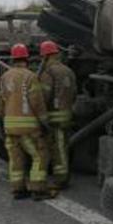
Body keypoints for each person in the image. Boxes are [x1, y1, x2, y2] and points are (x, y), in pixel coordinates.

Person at [0, 43, 53, 201]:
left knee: (16, 159)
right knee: (40, 155)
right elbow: (37, 102)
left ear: (13, 58)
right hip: (28, 127)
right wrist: (45, 122)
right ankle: (38, 189)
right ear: (26, 58)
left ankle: (18, 189)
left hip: (10, 126)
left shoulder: (4, 77)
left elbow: (0, 103)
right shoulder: (30, 76)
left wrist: (3, 120)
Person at [38, 40, 77, 191]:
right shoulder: (68, 70)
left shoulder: (49, 72)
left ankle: (60, 180)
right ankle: (63, 176)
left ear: (45, 56)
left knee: (58, 149)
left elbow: (44, 95)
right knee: (63, 146)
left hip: (54, 117)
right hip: (67, 115)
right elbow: (74, 93)